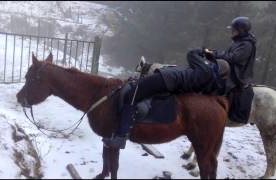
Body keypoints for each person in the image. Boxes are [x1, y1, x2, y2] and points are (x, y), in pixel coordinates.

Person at [104, 16, 256, 149]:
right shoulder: (232, 48)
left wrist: (208, 53)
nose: (232, 32)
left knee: (133, 93)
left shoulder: (245, 46)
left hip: (236, 77)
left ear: (241, 30)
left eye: (234, 29)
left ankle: (121, 136)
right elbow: (224, 56)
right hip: (173, 78)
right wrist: (211, 55)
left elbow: (232, 58)